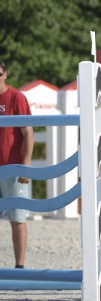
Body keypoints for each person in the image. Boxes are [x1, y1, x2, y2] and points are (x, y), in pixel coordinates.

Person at [0, 59, 33, 268]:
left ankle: (19, 266)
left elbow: (28, 132)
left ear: (4, 74)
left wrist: (25, 166)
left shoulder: (16, 97)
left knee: (18, 219)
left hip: (13, 167)